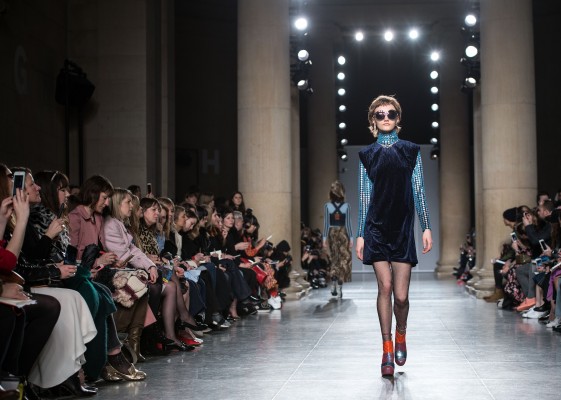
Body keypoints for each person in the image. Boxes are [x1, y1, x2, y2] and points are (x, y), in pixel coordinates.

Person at [355, 95, 432, 377]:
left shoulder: (411, 151)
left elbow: (419, 190)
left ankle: (401, 333)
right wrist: (362, 233)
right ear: (373, 121)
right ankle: (386, 347)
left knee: (401, 297)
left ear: (398, 118)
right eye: (379, 114)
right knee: (384, 288)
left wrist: (425, 226)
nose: (385, 117)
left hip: (401, 229)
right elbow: (364, 196)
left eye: (390, 113)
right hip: (375, 228)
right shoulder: (367, 154)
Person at [323, 180, 353, 298]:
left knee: (334, 259)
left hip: (333, 233)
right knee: (343, 261)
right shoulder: (346, 206)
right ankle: (339, 287)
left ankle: (334, 285)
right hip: (343, 233)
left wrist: (324, 239)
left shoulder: (328, 206)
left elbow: (326, 224)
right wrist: (351, 238)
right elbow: (348, 224)